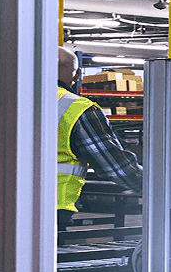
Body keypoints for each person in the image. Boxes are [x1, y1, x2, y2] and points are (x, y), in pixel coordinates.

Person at [57, 45, 142, 231]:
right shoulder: (76, 108)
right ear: (77, 74)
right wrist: (154, 185)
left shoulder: (3, 97)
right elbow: (115, 166)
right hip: (51, 208)